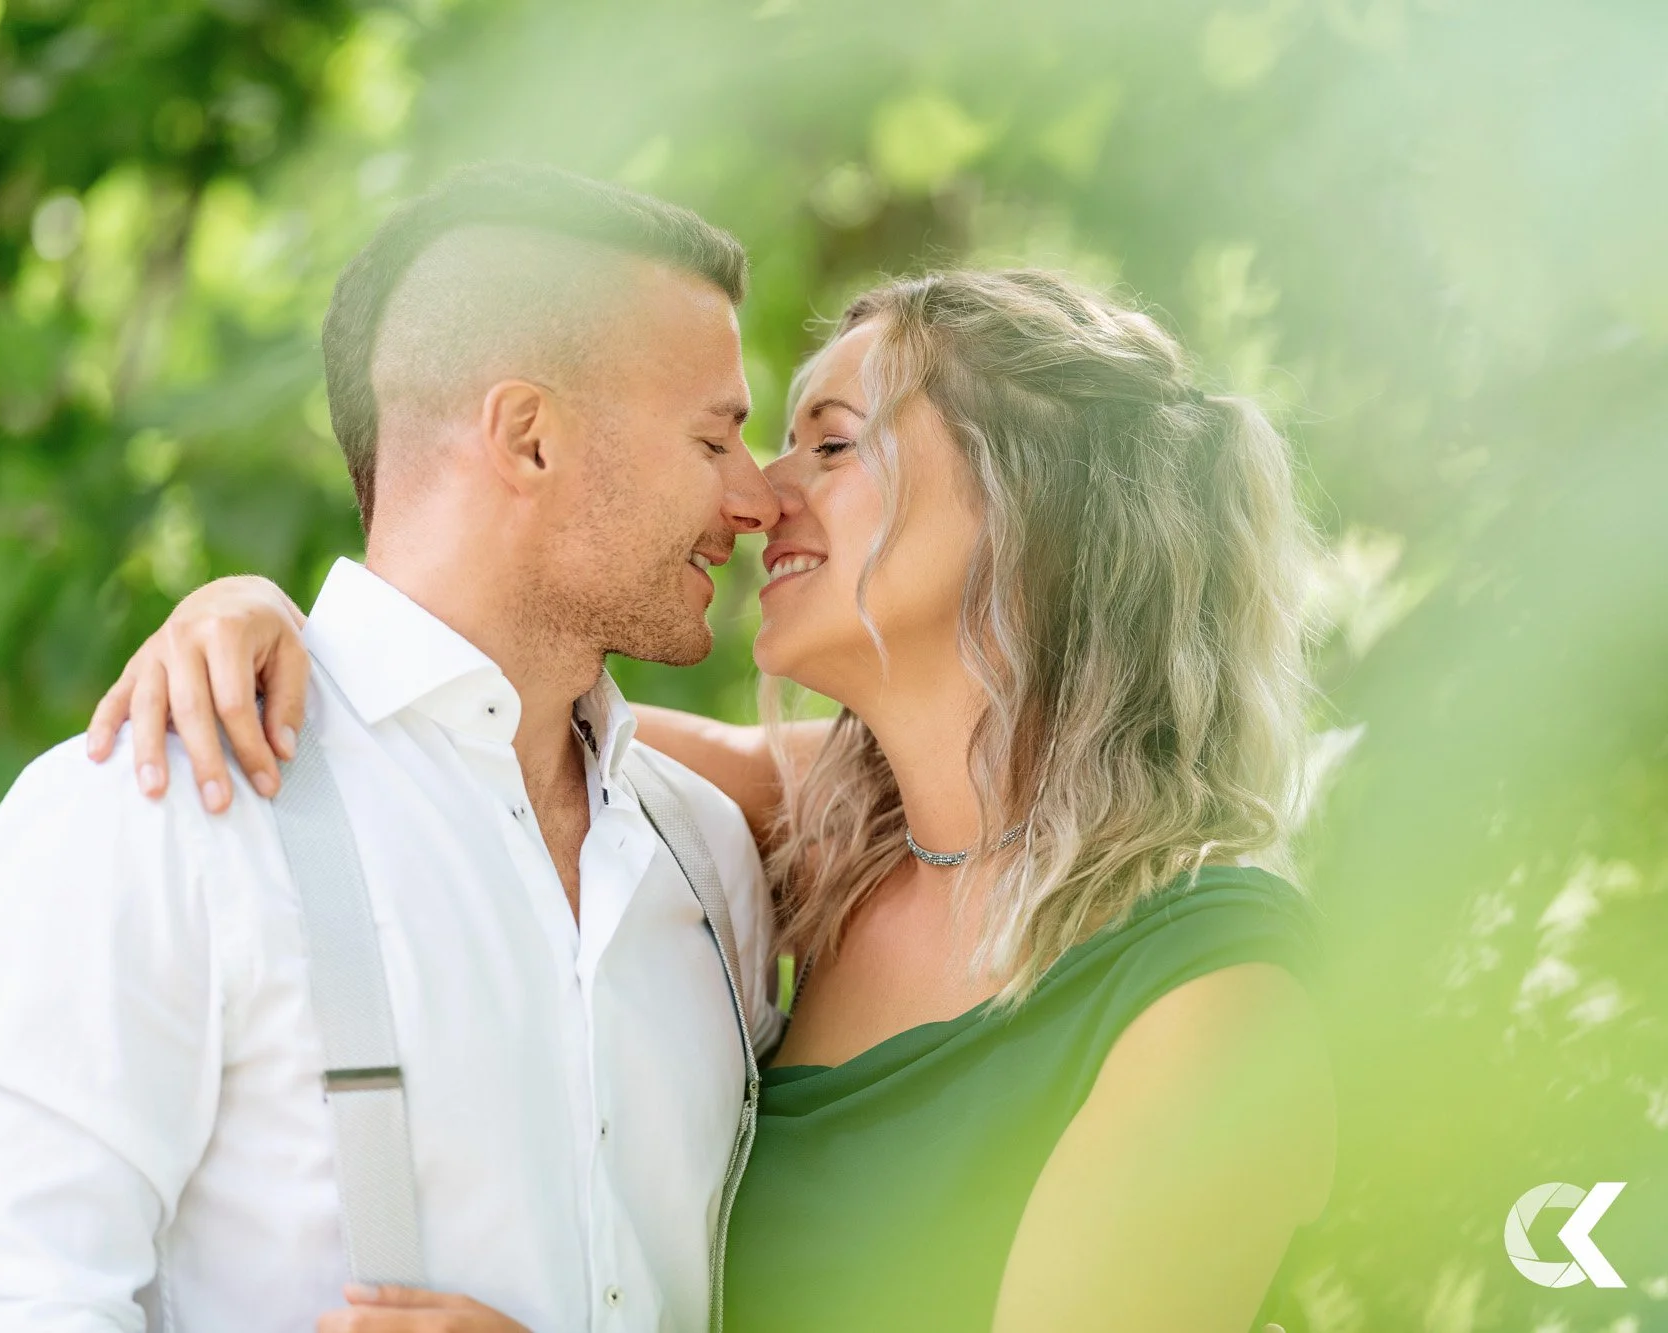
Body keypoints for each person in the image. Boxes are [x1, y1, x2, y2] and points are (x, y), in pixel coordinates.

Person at [97, 267, 1337, 1330]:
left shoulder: (1216, 987)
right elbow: (450, 713)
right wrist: (250, 618)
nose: (754, 496)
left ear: (1040, 513)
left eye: (833, 443)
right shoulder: (826, 834)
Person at [0, 165, 790, 1333]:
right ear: (527, 439)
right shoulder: (154, 812)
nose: (756, 497)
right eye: (713, 438)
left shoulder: (707, 857)